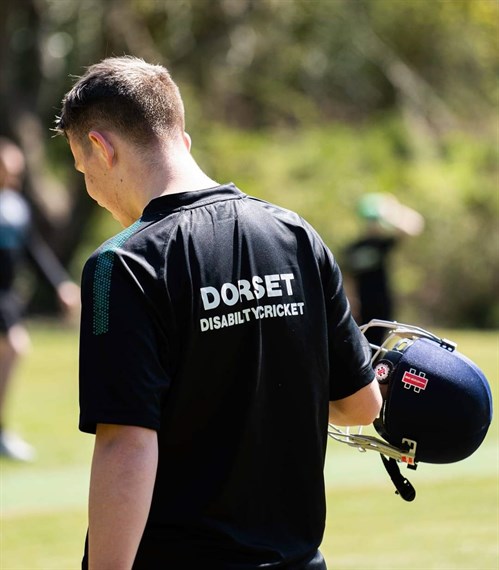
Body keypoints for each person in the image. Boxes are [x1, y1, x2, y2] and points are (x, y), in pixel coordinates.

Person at [55, 56, 382, 570]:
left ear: (101, 147)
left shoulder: (118, 266)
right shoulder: (295, 235)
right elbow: (362, 405)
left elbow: (126, 445)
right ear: (179, 138)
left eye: (83, 171)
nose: (91, 192)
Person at [0, 137, 80, 461]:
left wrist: (60, 284)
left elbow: (34, 251)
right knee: (16, 347)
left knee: (14, 349)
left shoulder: (16, 206)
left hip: (7, 297)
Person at [343, 193, 424, 346]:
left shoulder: (382, 244)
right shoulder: (354, 248)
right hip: (361, 304)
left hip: (382, 302)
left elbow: (414, 226)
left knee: (380, 345)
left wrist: (392, 210)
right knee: (362, 346)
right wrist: (351, 303)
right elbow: (348, 277)